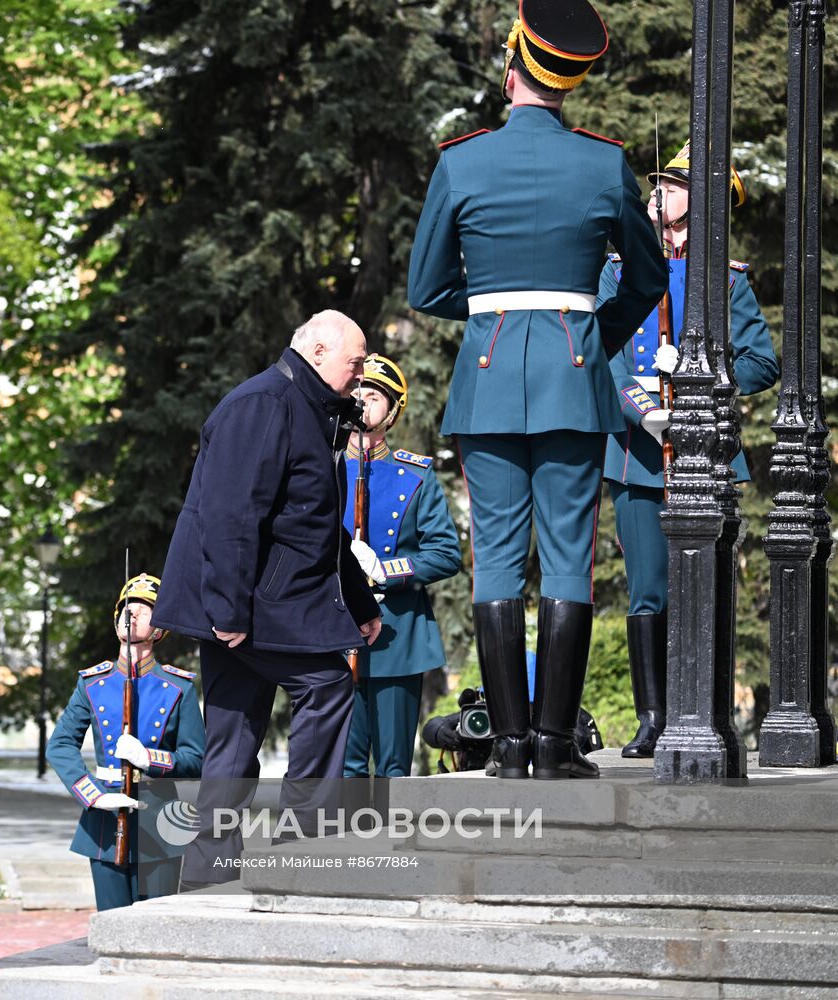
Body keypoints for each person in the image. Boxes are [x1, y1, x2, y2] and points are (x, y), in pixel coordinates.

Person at [407, 0, 666, 780]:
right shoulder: (602, 162)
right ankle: (555, 744)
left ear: (511, 68)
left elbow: (426, 286)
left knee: (495, 563)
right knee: (566, 561)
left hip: (486, 378)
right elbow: (648, 276)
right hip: (573, 373)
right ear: (569, 81)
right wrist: (588, 336)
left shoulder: (461, 161)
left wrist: (495, 314)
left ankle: (509, 747)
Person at [151, 309, 382, 888]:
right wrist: (227, 611)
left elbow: (319, 524)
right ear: (320, 351)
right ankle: (302, 844)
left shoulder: (306, 407)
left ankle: (208, 876)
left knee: (230, 739)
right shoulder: (265, 404)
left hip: (255, 602)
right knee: (327, 684)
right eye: (355, 365)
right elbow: (230, 515)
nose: (361, 377)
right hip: (249, 605)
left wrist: (359, 602)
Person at [600, 141, 778, 757]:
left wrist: (704, 380)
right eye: (660, 183)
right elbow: (602, 351)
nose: (658, 192)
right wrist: (648, 410)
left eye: (673, 186)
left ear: (701, 205)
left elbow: (763, 362)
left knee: (702, 590)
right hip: (639, 454)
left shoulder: (724, 282)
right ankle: (652, 719)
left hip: (704, 451)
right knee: (648, 589)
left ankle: (697, 712)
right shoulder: (621, 269)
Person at [46, 573, 205, 910]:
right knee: (111, 923)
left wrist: (151, 758)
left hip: (161, 820)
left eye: (144, 610)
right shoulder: (92, 683)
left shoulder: (179, 688)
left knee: (158, 927)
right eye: (126, 608)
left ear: (160, 629)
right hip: (105, 820)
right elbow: (59, 746)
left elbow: (197, 758)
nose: (131, 614)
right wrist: (93, 794)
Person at [343, 353, 462, 778]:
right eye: (356, 393)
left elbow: (446, 553)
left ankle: (393, 845)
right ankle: (348, 845)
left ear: (392, 411)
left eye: (373, 396)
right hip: (333, 628)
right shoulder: (320, 468)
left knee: (394, 766)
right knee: (345, 766)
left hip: (395, 631)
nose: (362, 402)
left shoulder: (415, 476)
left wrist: (385, 569)